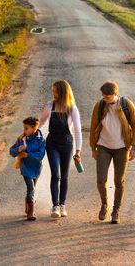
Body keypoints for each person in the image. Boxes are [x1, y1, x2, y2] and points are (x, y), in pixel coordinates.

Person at [89, 80, 135, 224]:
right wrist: (93, 147)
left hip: (122, 148)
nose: (105, 99)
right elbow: (93, 126)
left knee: (119, 181)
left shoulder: (126, 105)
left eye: (108, 97)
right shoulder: (100, 106)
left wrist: (134, 147)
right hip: (103, 147)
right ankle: (105, 204)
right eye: (103, 96)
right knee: (101, 179)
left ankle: (116, 211)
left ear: (115, 94)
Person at [38, 80, 82, 218]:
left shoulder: (72, 108)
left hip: (67, 144)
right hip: (52, 144)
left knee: (64, 176)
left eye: (56, 91)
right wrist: (32, 133)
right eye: (53, 91)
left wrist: (78, 151)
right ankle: (55, 206)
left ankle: (63, 205)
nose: (53, 94)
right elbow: (42, 121)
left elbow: (78, 130)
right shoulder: (50, 106)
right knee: (55, 175)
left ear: (62, 92)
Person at [10, 116, 46, 220]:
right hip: (25, 167)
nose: (24, 131)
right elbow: (11, 151)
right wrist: (18, 149)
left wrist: (27, 154)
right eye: (24, 128)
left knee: (32, 188)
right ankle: (31, 212)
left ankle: (28, 203)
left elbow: (40, 155)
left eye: (26, 128)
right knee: (31, 188)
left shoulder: (41, 140)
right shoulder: (22, 139)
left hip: (36, 168)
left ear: (34, 129)